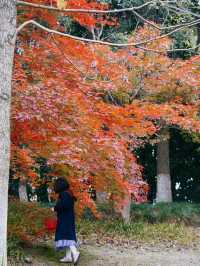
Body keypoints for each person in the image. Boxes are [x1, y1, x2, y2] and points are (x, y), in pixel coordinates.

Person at [53, 177, 80, 264]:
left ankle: (75, 253)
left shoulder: (64, 194)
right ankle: (68, 257)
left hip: (65, 219)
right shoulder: (68, 193)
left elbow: (63, 205)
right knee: (67, 236)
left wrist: (55, 208)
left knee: (66, 235)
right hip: (68, 218)